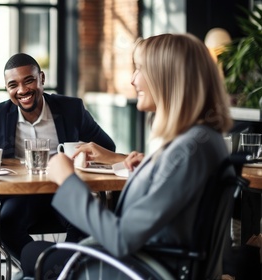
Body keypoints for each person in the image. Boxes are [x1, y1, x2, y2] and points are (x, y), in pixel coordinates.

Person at [18, 33, 234, 279]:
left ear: (168, 77)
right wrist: (136, 168)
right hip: (153, 263)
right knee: (33, 254)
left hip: (140, 269)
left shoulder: (187, 151)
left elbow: (120, 239)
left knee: (32, 256)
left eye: (140, 69)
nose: (133, 80)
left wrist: (67, 180)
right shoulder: (202, 141)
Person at [0, 53, 116, 259]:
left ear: (42, 78)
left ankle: (62, 270)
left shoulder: (71, 109)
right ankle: (44, 268)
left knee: (83, 224)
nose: (22, 90)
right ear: (7, 88)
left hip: (64, 189)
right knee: (5, 226)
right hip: (22, 195)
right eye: (13, 85)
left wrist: (80, 154)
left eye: (29, 80)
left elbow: (106, 147)